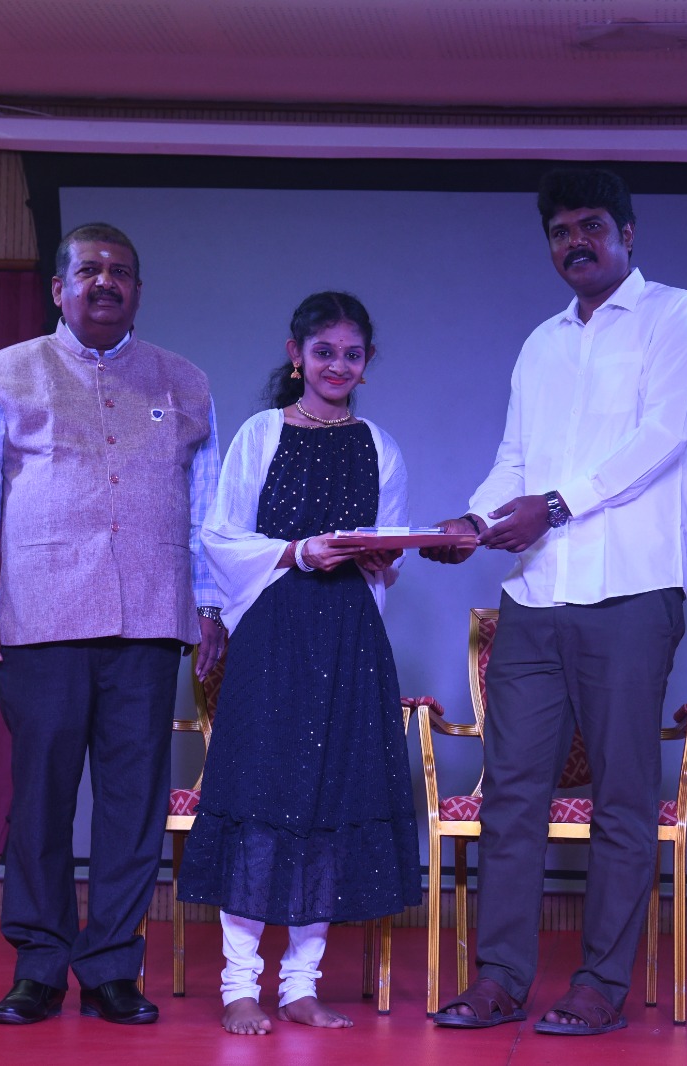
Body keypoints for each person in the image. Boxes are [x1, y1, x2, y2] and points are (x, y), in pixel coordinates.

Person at [423, 168, 687, 1035]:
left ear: (628, 233)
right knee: (512, 793)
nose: (575, 242)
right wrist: (474, 522)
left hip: (629, 592)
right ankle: (500, 979)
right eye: (560, 232)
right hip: (535, 593)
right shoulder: (541, 343)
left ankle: (599, 986)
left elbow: (661, 438)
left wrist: (554, 506)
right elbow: (514, 459)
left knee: (623, 797)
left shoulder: (675, 316)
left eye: (592, 225)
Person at [0, 222, 227, 1026]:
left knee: (133, 803)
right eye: (90, 270)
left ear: (138, 290)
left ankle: (111, 969)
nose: (106, 282)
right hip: (43, 615)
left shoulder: (185, 381)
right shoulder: (10, 373)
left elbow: (207, 507)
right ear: (59, 288)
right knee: (42, 798)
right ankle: (39, 964)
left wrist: (210, 604)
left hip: (150, 619)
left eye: (121, 272)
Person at [177, 292, 422, 1037]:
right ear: (296, 356)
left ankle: (301, 985)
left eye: (352, 354)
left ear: (367, 364)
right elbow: (221, 537)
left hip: (349, 640)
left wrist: (382, 556)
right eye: (324, 352)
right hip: (275, 632)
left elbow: (387, 555)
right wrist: (298, 552)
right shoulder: (261, 434)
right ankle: (239, 985)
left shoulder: (381, 447)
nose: (337, 366)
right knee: (259, 801)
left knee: (330, 804)